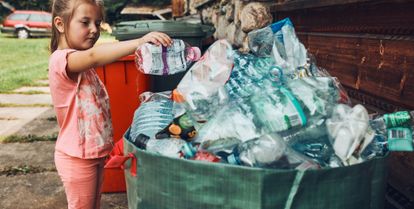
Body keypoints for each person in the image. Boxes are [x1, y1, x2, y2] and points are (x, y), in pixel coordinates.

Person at [48, 0, 172, 208]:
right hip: (77, 157)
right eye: (85, 22)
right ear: (60, 24)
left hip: (92, 154)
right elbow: (95, 56)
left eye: (98, 23)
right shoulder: (62, 61)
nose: (94, 30)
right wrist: (138, 42)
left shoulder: (82, 65)